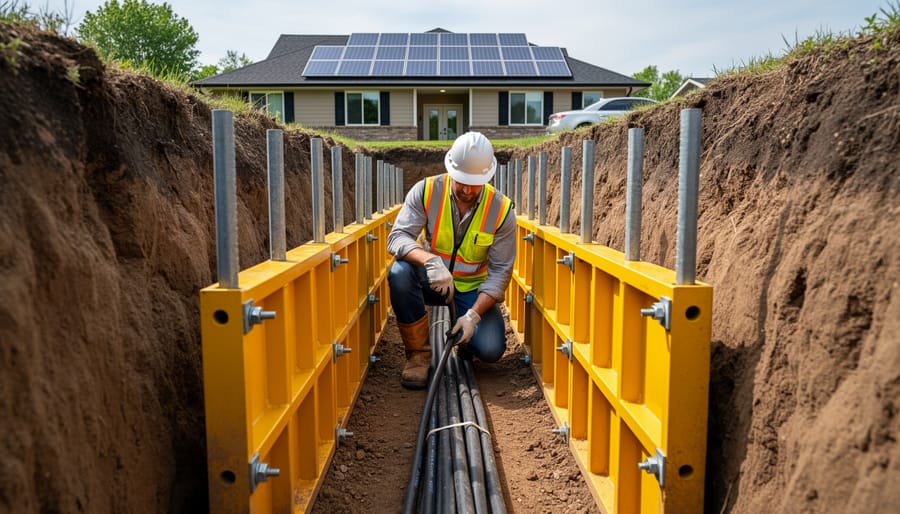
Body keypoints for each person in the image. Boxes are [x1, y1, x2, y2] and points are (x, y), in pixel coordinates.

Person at [386, 131, 516, 389]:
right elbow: (397, 237)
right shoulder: (426, 191)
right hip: (431, 281)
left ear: (487, 177)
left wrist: (473, 316)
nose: (467, 190)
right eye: (461, 181)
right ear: (450, 171)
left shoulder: (501, 210)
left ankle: (466, 339)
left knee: (490, 349)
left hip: (470, 290)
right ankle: (418, 357)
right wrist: (430, 262)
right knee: (400, 273)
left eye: (474, 183)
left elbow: (501, 272)